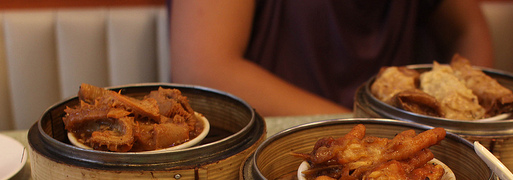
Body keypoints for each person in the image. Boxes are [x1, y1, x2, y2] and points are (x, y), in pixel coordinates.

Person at [170, 0, 494, 117]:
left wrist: (471, 113)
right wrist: (365, 126)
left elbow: (468, 31)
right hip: (269, 153)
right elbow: (204, 69)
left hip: (401, 148)